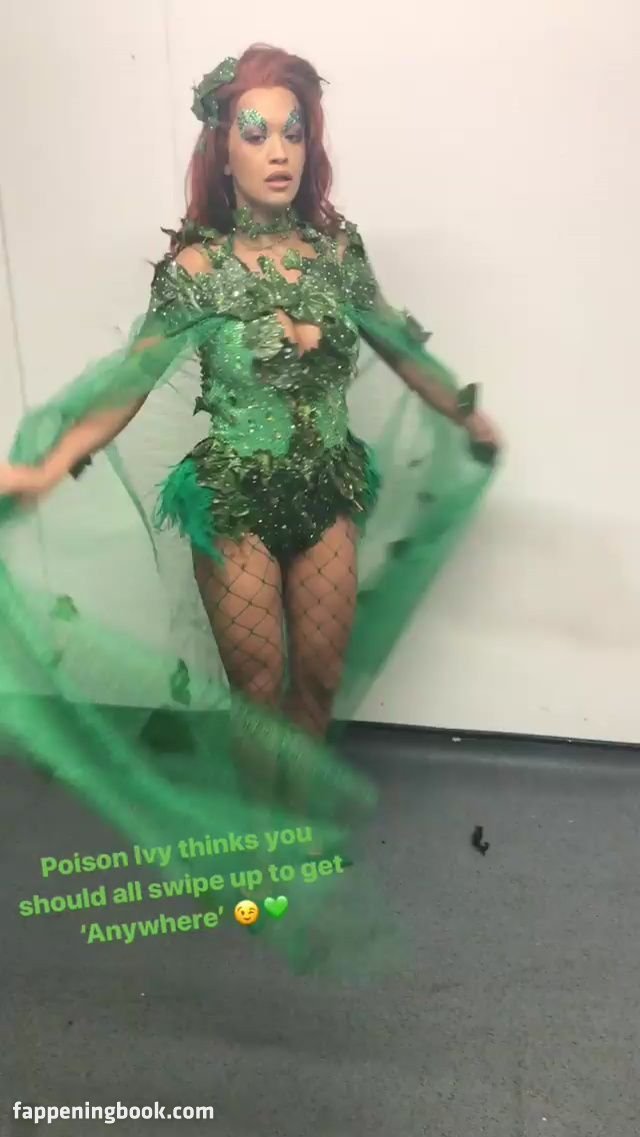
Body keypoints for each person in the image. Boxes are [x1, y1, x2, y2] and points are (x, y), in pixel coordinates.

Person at [0, 45, 499, 969]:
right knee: (258, 690)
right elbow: (129, 381)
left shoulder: (339, 256)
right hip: (234, 494)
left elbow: (400, 345)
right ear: (222, 151)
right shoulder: (195, 269)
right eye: (256, 131)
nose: (278, 150)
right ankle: (256, 839)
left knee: (317, 681)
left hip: (326, 488)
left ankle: (290, 828)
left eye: (293, 132)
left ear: (312, 146)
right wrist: (50, 465)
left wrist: (465, 415)